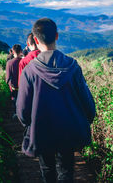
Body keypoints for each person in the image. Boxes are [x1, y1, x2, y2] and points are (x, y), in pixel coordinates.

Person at [17, 18, 96, 182]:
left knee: (47, 171)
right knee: (66, 171)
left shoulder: (30, 71)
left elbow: (23, 111)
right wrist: (84, 121)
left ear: (36, 40)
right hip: (68, 130)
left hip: (42, 131)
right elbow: (87, 104)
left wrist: (29, 125)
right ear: (57, 36)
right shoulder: (73, 66)